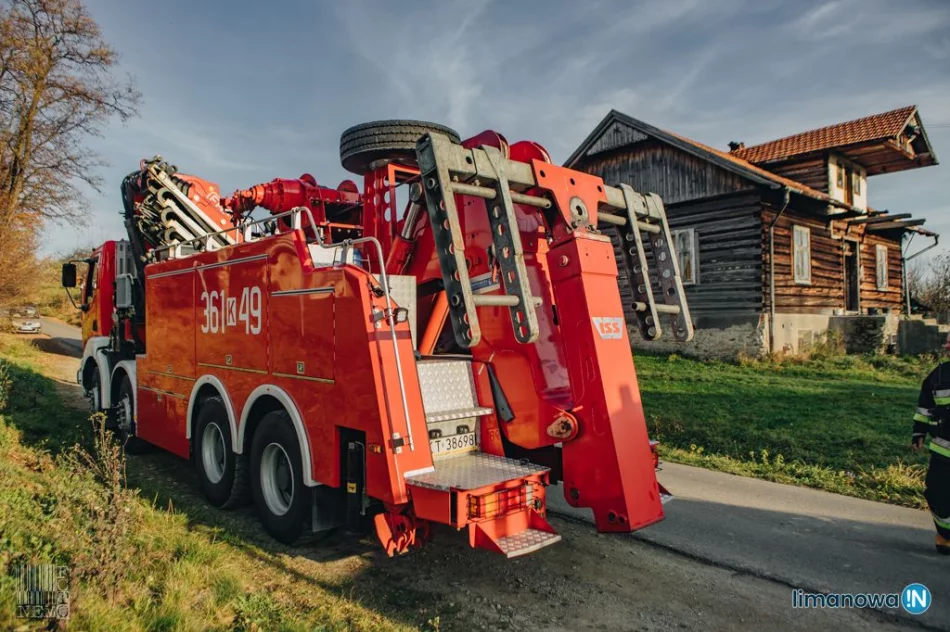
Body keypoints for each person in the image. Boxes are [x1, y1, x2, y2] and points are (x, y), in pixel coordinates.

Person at [913, 333, 950, 555]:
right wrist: (918, 432)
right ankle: (945, 534)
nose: (946, 347)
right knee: (936, 493)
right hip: (942, 452)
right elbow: (924, 407)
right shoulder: (939, 375)